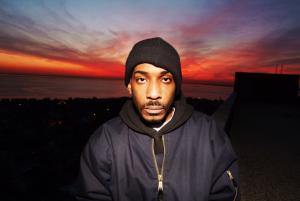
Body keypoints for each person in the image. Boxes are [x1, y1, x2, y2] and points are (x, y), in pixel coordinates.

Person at [75, 37, 240, 201]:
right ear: (130, 86)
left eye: (166, 79)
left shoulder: (208, 133)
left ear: (176, 87)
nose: (153, 93)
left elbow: (226, 194)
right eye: (142, 79)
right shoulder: (106, 139)